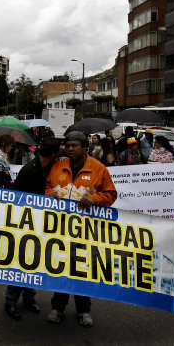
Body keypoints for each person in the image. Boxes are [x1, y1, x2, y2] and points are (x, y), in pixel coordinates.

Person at [45, 131, 117, 327]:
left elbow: (111, 194)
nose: (70, 148)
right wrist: (51, 194)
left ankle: (84, 310)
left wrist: (95, 198)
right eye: (68, 145)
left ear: (85, 148)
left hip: (86, 231)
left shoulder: (99, 169)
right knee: (60, 267)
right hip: (60, 228)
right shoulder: (58, 166)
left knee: (83, 270)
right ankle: (57, 307)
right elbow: (47, 186)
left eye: (74, 145)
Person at [4, 139, 61, 320]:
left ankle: (29, 297)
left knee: (33, 263)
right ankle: (10, 301)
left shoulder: (47, 169)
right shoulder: (29, 170)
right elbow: (16, 199)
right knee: (21, 263)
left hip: (39, 224)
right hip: (24, 224)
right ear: (52, 155)